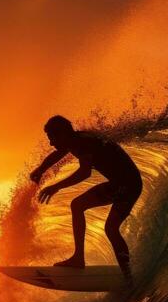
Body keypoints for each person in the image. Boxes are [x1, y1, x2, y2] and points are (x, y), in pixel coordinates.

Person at [30, 115, 142, 281]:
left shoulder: (83, 143)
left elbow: (85, 172)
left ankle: (127, 275)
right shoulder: (75, 140)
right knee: (78, 206)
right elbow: (58, 154)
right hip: (120, 183)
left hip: (128, 185)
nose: (51, 143)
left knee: (110, 228)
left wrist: (56, 187)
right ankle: (79, 258)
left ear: (63, 134)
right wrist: (41, 169)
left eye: (52, 138)